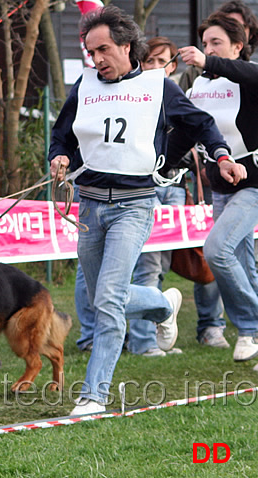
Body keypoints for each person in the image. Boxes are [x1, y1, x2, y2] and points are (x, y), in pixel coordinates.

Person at [49, 6, 240, 415]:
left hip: (134, 206)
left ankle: (94, 395)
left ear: (126, 46)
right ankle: (161, 304)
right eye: (90, 51)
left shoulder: (158, 86)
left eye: (103, 49)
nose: (97, 59)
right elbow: (61, 135)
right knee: (105, 294)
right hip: (89, 205)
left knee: (108, 299)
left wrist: (221, 156)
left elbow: (202, 124)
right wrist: (59, 158)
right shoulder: (83, 86)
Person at [176, 13, 258, 368]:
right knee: (243, 263)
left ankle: (249, 325)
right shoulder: (199, 88)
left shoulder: (249, 77)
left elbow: (247, 73)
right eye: (204, 43)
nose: (205, 50)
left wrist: (208, 60)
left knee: (216, 250)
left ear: (238, 47)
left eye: (215, 44)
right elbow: (186, 134)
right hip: (220, 187)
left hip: (254, 185)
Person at [128, 37, 185, 358]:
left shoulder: (178, 96)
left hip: (176, 185)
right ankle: (143, 341)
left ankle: (158, 324)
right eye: (147, 60)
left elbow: (195, 132)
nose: (152, 67)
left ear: (172, 66)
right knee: (147, 263)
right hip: (141, 186)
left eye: (159, 61)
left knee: (162, 262)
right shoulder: (133, 94)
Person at [178, 0, 258, 92]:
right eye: (204, 45)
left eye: (216, 43)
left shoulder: (251, 73)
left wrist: (206, 61)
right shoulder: (196, 75)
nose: (208, 51)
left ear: (237, 46)